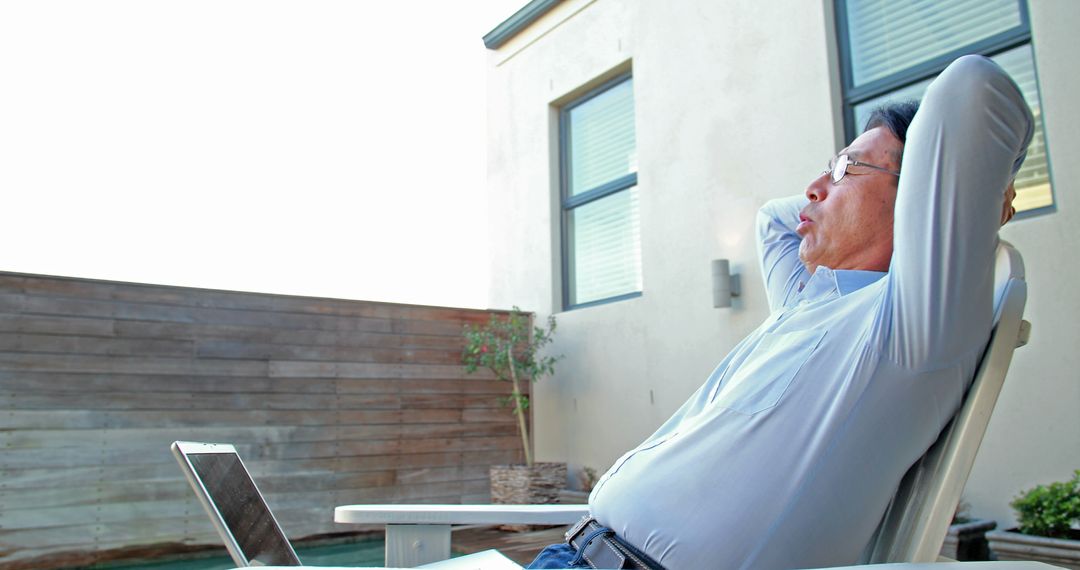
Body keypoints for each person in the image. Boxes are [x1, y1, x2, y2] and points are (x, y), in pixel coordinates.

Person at [527, 55, 1033, 570]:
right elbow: (772, 219)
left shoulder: (908, 325)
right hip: (570, 553)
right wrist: (844, 181)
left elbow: (975, 88)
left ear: (918, 196)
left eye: (844, 169)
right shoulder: (808, 302)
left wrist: (976, 191)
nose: (814, 187)